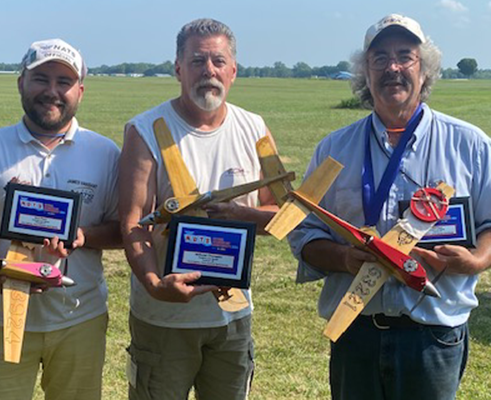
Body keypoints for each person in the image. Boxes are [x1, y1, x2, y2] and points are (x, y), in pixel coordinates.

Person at [289, 14, 491, 400]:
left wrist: (477, 260)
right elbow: (304, 233)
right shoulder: (333, 149)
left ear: (425, 68)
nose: (392, 68)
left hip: (433, 335)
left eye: (405, 56)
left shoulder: (471, 144)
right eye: (379, 58)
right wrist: (342, 258)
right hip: (356, 333)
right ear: (365, 71)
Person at [0, 38, 121, 400]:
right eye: (41, 78)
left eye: (64, 82)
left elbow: (121, 230)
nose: (52, 91)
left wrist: (82, 236)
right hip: (1, 317)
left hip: (80, 318)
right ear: (21, 83)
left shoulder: (105, 152)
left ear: (81, 91)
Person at [119, 18, 279, 400]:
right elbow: (132, 221)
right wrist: (155, 285)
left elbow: (283, 214)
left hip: (233, 316)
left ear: (234, 71)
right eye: (197, 61)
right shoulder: (145, 130)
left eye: (218, 61)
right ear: (178, 68)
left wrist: (246, 216)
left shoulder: (254, 128)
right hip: (164, 319)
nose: (209, 70)